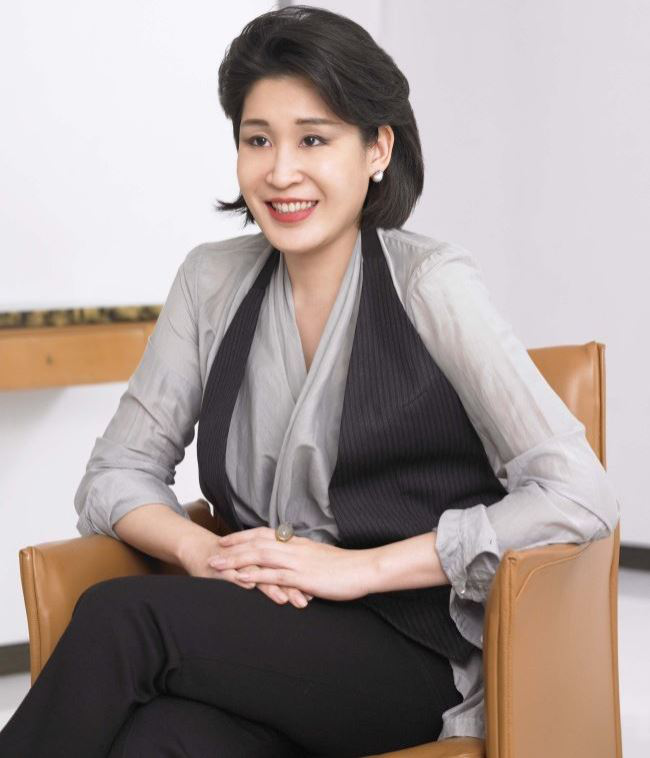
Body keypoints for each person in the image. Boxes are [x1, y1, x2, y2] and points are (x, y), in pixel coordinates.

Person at [0, 5, 620, 757]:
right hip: (265, 632)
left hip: (406, 652)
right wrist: (202, 554)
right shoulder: (211, 282)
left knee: (122, 617)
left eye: (314, 139)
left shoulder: (432, 284)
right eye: (258, 139)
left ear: (377, 148)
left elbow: (578, 492)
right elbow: (115, 473)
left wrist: (358, 570)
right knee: (157, 740)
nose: (280, 171)